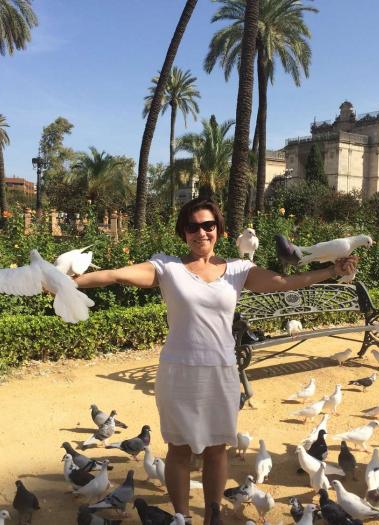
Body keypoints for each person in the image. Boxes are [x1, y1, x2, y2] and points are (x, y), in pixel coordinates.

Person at [74, 197, 358, 524]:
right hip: (179, 373)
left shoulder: (238, 270)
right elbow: (116, 275)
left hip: (221, 372)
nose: (201, 232)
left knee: (217, 449)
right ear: (183, 232)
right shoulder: (167, 268)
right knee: (179, 449)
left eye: (208, 225)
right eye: (192, 227)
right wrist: (69, 283)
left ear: (219, 230)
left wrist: (331, 271)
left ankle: (213, 516)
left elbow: (283, 283)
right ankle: (181, 518)